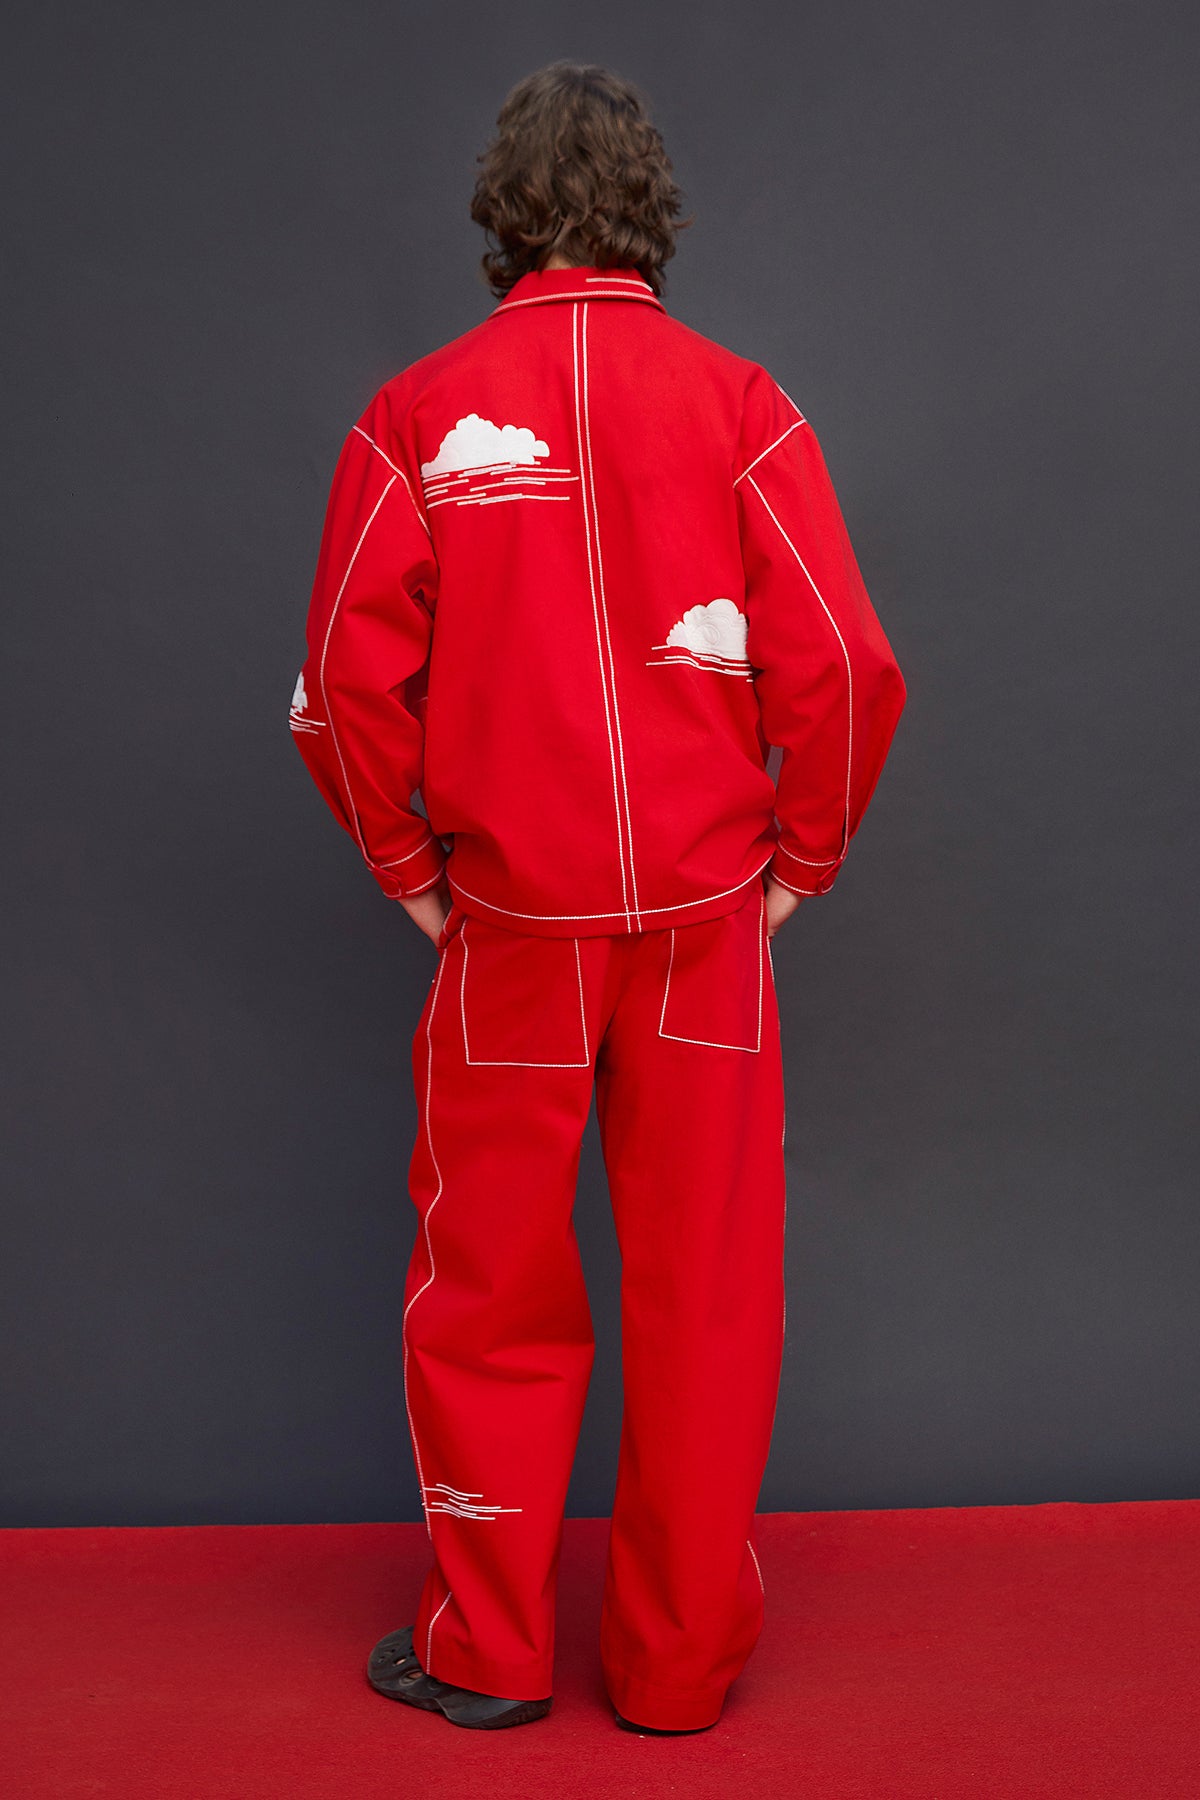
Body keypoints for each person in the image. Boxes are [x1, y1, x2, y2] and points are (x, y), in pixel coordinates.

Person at [288, 59, 906, 1735]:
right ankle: (676, 1671)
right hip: (708, 930)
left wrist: (409, 869)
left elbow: (339, 687)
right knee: (708, 1296)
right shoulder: (743, 404)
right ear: (651, 217)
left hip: (509, 931)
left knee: (486, 1290)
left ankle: (486, 1652)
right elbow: (847, 667)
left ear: (504, 219)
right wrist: (802, 860)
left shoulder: (418, 413)